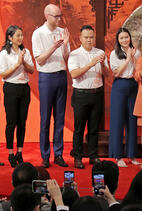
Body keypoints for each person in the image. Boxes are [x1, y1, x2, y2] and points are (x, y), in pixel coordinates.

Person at [32, 4, 70, 168]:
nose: (59, 19)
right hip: (46, 77)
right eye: (56, 16)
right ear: (47, 16)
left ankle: (59, 154)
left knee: (60, 118)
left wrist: (66, 44)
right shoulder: (38, 33)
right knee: (45, 118)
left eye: (60, 16)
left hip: (61, 75)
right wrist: (54, 46)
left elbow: (66, 57)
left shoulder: (62, 31)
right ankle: (45, 155)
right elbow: (39, 60)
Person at [68, 25, 108, 169]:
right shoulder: (74, 54)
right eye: (86, 37)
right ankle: (78, 157)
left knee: (94, 128)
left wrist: (102, 64)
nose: (89, 40)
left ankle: (93, 156)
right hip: (81, 94)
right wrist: (91, 64)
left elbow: (107, 74)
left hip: (97, 93)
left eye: (91, 37)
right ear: (80, 38)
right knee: (79, 128)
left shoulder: (100, 52)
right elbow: (74, 74)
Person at [0, 25, 34, 168]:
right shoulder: (4, 54)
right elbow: (3, 74)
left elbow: (32, 70)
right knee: (11, 122)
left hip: (24, 89)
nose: (20, 38)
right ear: (10, 37)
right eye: (17, 35)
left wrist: (24, 61)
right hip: (11, 88)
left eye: (21, 35)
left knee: (22, 122)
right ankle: (10, 153)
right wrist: (17, 64)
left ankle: (19, 152)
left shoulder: (24, 52)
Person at [109, 27, 141, 167]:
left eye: (126, 37)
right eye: (121, 38)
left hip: (133, 86)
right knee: (117, 121)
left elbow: (138, 71)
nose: (124, 40)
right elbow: (116, 73)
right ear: (118, 40)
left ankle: (132, 155)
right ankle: (117, 156)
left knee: (132, 120)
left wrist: (133, 58)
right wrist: (128, 59)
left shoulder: (137, 52)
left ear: (130, 38)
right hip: (119, 86)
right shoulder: (114, 54)